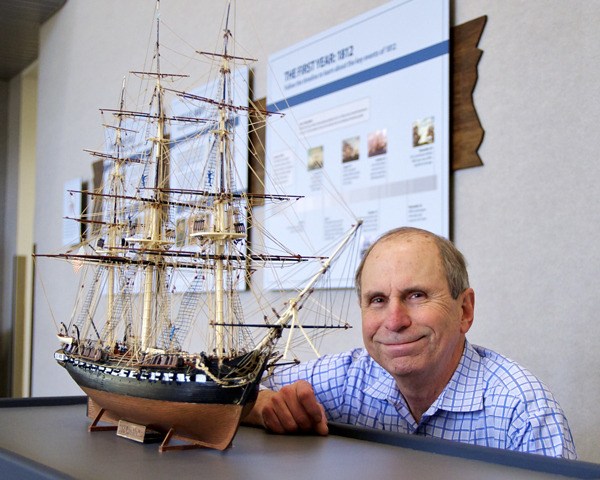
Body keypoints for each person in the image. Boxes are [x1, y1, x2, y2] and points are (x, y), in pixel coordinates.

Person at [243, 226, 577, 459]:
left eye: (416, 295)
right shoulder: (349, 379)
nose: (394, 320)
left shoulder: (525, 413)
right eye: (377, 300)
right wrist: (262, 406)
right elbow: (228, 394)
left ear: (465, 310)